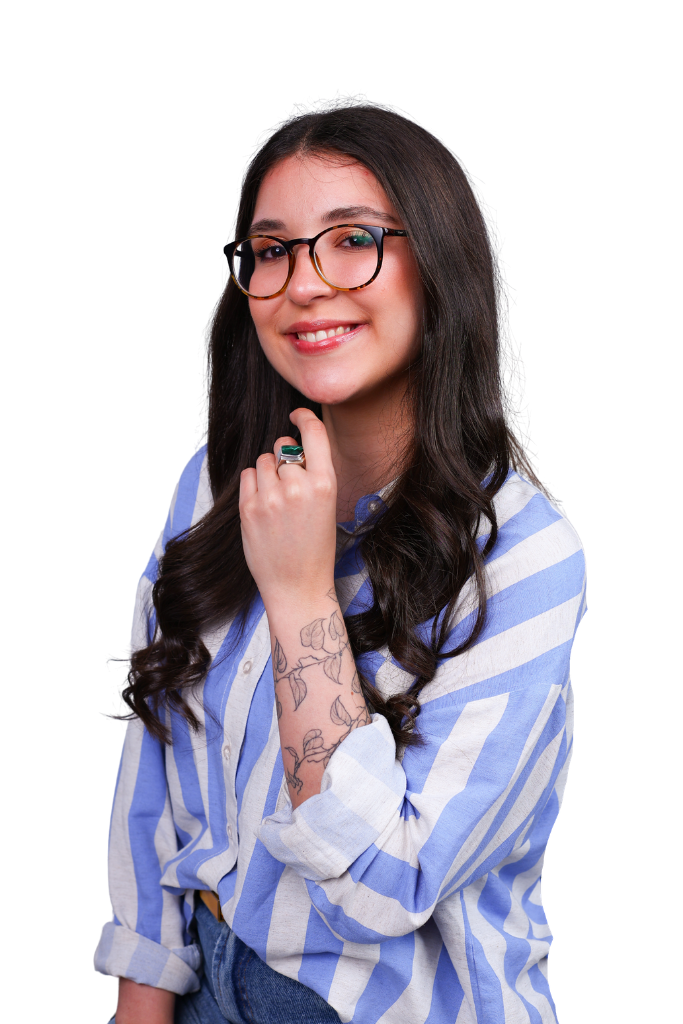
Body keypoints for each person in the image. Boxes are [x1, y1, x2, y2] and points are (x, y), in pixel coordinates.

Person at [95, 95, 587, 1024]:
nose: (304, 283)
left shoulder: (523, 555)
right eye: (270, 250)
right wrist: (141, 994)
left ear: (435, 261)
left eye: (352, 239)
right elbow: (157, 751)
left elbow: (380, 891)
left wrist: (299, 595)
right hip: (205, 981)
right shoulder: (217, 482)